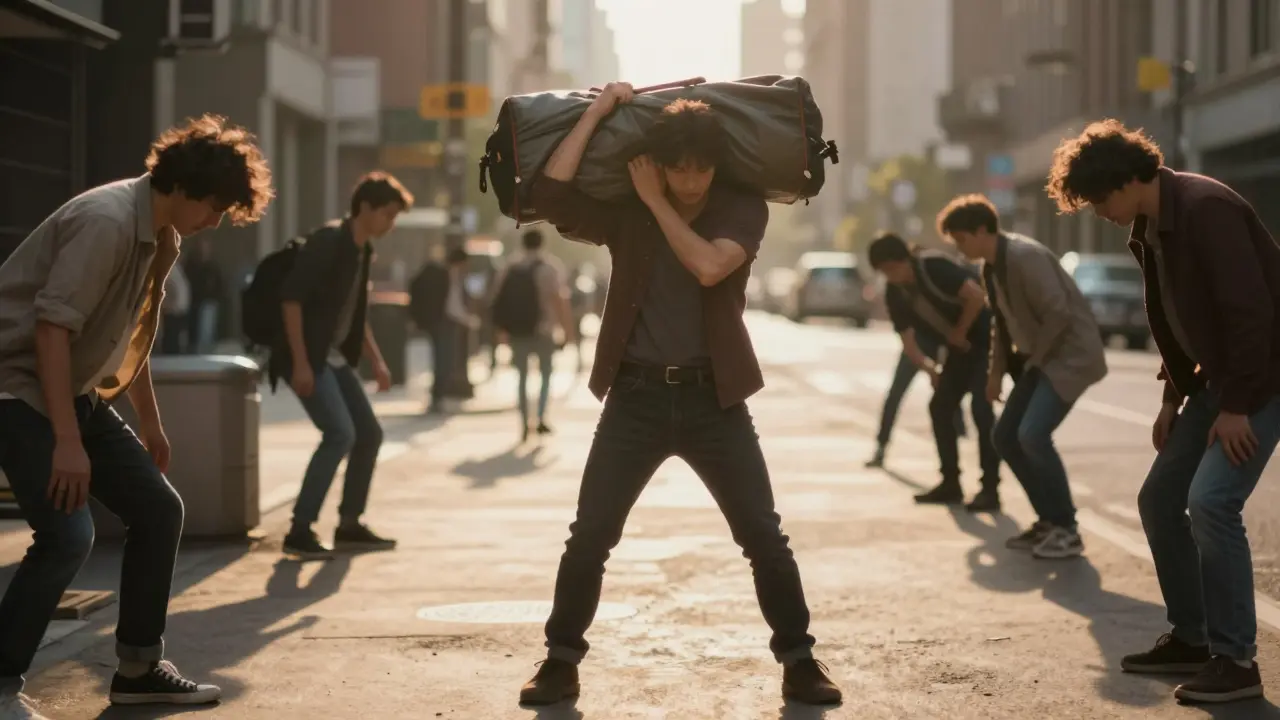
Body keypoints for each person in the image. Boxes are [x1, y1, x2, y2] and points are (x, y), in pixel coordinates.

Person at [517, 82, 841, 707]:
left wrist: (655, 200)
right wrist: (597, 113)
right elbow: (551, 193)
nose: (690, 181)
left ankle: (800, 660)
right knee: (590, 537)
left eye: (700, 168)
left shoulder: (741, 208)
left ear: (717, 166)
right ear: (660, 163)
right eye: (678, 169)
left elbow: (709, 265)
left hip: (714, 401)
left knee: (763, 536)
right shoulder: (626, 213)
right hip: (634, 398)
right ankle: (560, 661)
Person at [0, 114, 272, 715]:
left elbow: (130, 331)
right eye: (215, 206)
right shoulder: (106, 222)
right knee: (68, 535)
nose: (217, 221)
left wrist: (149, 421)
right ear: (181, 188)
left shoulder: (162, 232)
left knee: (158, 508)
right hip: (14, 389)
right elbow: (50, 330)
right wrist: (67, 443)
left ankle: (138, 668)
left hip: (73, 391)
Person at [1047, 119, 1280, 704]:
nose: (1099, 212)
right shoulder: (1151, 225)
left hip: (1263, 378)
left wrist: (1235, 407)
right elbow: (1179, 319)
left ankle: (1237, 662)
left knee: (1211, 501)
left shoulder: (1205, 209)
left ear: (1129, 179)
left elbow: (1249, 316)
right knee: (1159, 499)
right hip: (1214, 384)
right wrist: (1173, 397)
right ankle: (1193, 637)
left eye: (1100, 198)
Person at [940, 193, 1107, 558]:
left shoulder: (1023, 257)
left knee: (1032, 434)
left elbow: (1059, 314)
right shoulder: (990, 266)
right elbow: (1000, 323)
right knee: (1004, 437)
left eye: (962, 239)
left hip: (1069, 357)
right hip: (1040, 359)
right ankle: (1049, 521)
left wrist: (1032, 362)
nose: (959, 248)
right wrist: (995, 374)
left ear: (983, 230)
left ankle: (1067, 529)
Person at [275, 171, 411, 560]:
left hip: (332, 357)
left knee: (369, 434)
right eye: (387, 214)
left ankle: (349, 524)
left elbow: (354, 316)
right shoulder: (329, 243)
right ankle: (300, 530)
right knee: (340, 434)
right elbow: (291, 300)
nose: (390, 223)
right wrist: (301, 364)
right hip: (307, 356)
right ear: (364, 208)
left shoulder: (363, 249)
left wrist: (377, 361)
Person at [867, 232, 1001, 511]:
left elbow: (976, 296)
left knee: (981, 407)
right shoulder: (896, 292)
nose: (890, 276)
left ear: (904, 259)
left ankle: (990, 488)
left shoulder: (932, 266)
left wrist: (960, 331)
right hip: (956, 350)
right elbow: (907, 341)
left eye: (892, 268)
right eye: (884, 272)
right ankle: (950, 483)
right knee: (940, 406)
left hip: (984, 343)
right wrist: (929, 369)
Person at [489, 229, 575, 440]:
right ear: (542, 244)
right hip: (544, 330)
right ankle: (541, 416)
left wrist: (502, 332)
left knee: (521, 378)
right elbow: (560, 301)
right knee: (546, 375)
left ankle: (524, 422)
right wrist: (567, 331)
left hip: (518, 331)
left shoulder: (510, 267)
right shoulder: (550, 267)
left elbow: (499, 301)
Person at [866, 329, 967, 469]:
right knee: (895, 395)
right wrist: (929, 369)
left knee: (946, 394)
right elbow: (908, 345)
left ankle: (960, 429)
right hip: (917, 342)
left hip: (939, 342)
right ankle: (881, 445)